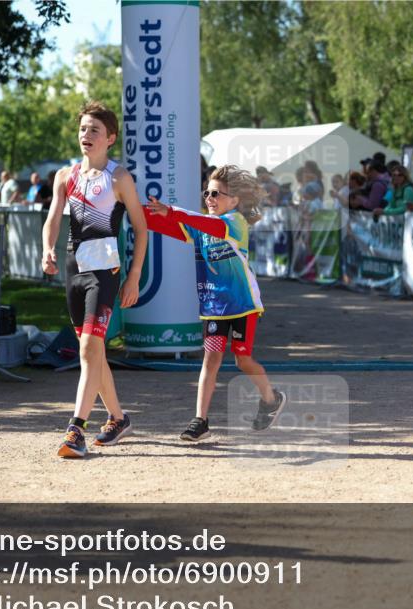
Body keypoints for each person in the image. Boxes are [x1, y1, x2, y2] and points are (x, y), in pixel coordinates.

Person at [143, 165, 287, 442]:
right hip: (213, 307)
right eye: (206, 192)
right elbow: (161, 224)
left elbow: (206, 225)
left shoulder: (235, 222)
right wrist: (127, 207)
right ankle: (201, 421)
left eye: (217, 194)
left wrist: (171, 210)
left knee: (243, 360)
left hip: (243, 304)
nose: (209, 198)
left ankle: (271, 399)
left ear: (234, 201)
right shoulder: (200, 225)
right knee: (211, 359)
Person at [41, 101, 146, 458]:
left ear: (110, 138)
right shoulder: (65, 176)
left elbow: (142, 229)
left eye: (94, 130)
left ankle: (76, 431)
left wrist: (134, 278)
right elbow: (54, 219)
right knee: (94, 352)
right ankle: (118, 418)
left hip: (106, 272)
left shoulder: (119, 178)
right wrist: (47, 249)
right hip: (74, 271)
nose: (86, 135)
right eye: (83, 129)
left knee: (89, 348)